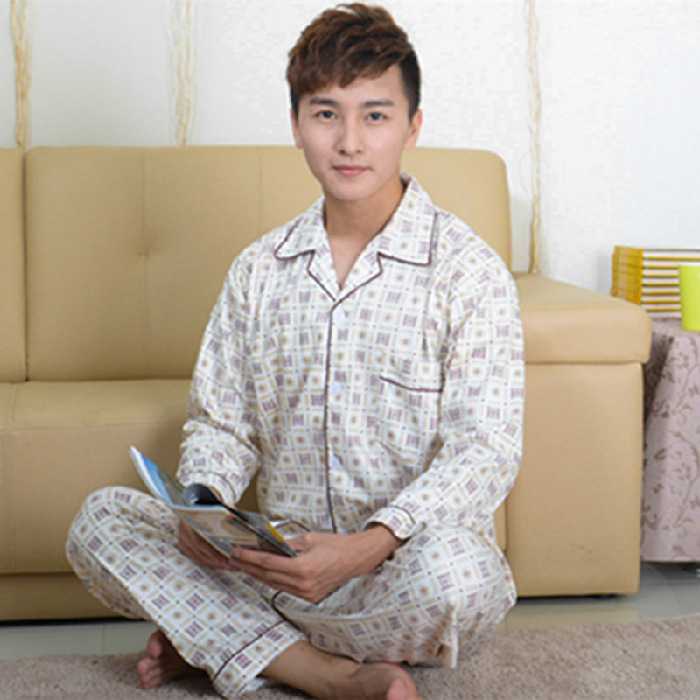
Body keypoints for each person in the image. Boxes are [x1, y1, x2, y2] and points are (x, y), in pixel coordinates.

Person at [66, 4, 525, 699]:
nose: (349, 142)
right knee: (101, 522)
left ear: (412, 126)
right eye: (326, 114)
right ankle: (326, 673)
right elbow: (221, 423)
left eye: (375, 115)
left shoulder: (469, 272)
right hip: (270, 567)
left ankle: (226, 640)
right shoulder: (259, 269)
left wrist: (369, 545)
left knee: (463, 579)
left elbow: (485, 451)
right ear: (295, 124)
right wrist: (207, 508)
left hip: (394, 571)